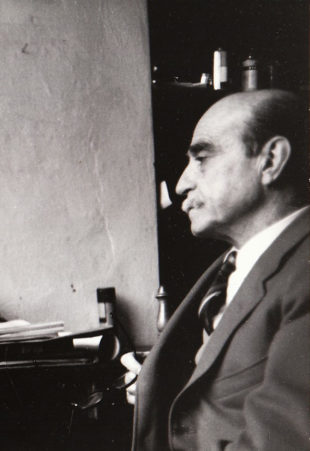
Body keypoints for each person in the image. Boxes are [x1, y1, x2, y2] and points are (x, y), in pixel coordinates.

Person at [122, 89, 310, 450]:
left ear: (271, 160)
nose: (181, 185)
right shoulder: (233, 264)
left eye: (202, 158)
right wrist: (161, 381)